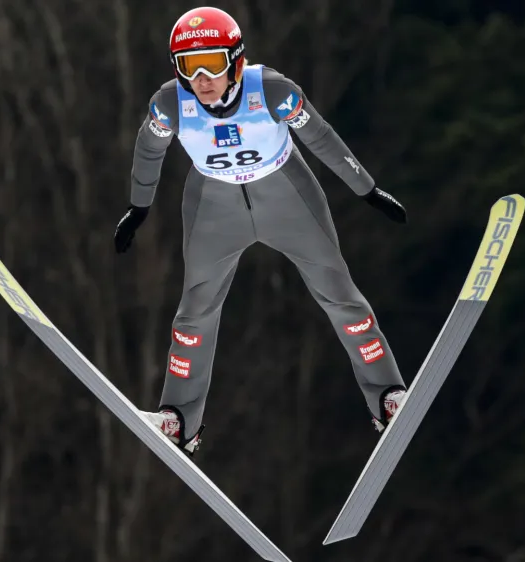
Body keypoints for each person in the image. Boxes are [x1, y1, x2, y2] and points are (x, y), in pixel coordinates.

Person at [114, 6, 408, 456]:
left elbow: (322, 138)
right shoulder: (170, 103)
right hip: (213, 205)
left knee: (338, 291)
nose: (202, 79)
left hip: (286, 194)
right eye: (189, 67)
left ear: (236, 60)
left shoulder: (271, 90)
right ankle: (179, 421)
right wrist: (138, 208)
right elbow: (148, 149)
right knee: (194, 311)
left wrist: (367, 190)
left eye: (212, 63)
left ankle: (387, 397)